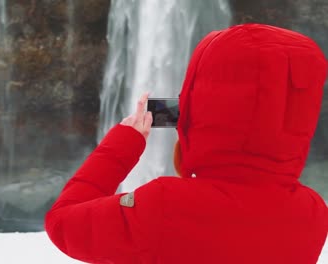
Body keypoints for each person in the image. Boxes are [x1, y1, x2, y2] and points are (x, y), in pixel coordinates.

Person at [45, 23, 328, 264]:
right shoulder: (314, 215)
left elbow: (61, 223)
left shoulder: (163, 205)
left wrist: (122, 144)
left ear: (197, 112)